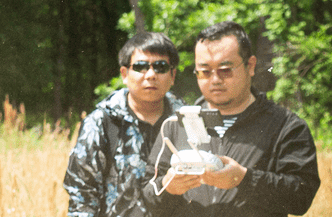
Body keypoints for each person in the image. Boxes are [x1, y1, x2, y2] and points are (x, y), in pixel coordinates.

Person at [143, 21, 320, 217]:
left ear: (250, 66)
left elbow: (302, 196)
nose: (215, 79)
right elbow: (149, 193)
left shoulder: (286, 126)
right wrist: (169, 188)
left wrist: (244, 179)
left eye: (225, 70)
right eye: (204, 71)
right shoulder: (177, 124)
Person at [63, 32, 183, 217]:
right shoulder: (102, 123)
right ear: (125, 74)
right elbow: (82, 197)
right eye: (141, 67)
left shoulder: (186, 121)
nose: (150, 75)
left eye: (160, 67)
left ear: (172, 75)